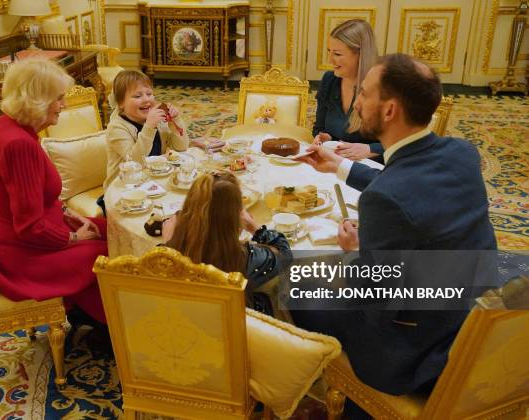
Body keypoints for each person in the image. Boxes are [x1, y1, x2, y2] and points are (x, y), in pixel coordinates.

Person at [295, 54, 496, 416]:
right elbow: (411, 187)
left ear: (388, 111)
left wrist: (354, 253)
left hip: (418, 352)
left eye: (365, 94)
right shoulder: (461, 153)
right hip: (470, 317)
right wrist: (340, 167)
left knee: (298, 286)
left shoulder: (386, 199)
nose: (357, 101)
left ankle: (344, 399)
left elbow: (376, 305)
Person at [0, 59, 109, 330]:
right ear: (37, 100)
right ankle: (108, 324)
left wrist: (68, 213)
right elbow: (29, 228)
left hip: (26, 235)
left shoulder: (6, 126)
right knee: (108, 255)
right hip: (23, 254)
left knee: (109, 228)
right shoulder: (18, 144)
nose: (64, 105)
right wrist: (74, 237)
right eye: (58, 98)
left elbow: (39, 197)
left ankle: (89, 311)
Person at [162, 172, 292, 308]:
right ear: (234, 217)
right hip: (236, 324)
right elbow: (285, 255)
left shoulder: (166, 254)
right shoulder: (243, 257)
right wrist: (255, 228)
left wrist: (167, 245)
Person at [103, 69, 189, 192]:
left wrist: (175, 121)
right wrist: (149, 127)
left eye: (149, 94)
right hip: (124, 189)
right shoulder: (116, 128)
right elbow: (135, 163)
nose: (146, 100)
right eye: (137, 96)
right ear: (121, 103)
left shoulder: (156, 118)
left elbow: (182, 147)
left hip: (153, 182)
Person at [312, 19, 382, 162]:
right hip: (335, 165)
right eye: (329, 52)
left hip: (372, 171)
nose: (330, 60)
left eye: (337, 54)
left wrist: (370, 149)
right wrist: (325, 138)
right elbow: (318, 128)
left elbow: (406, 145)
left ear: (360, 55)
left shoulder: (385, 87)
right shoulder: (329, 80)